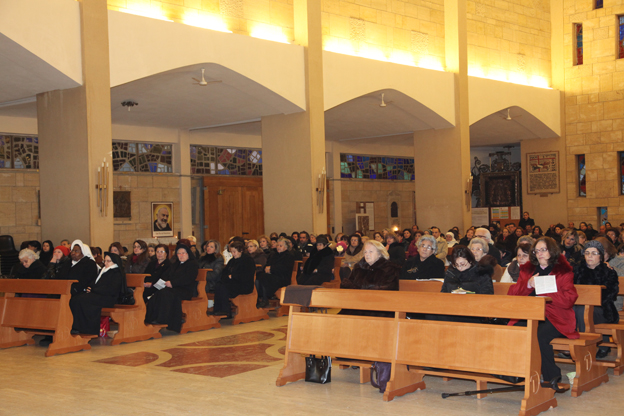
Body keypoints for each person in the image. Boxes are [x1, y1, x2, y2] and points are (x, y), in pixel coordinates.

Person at [507, 237, 579, 389]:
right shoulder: (528, 270)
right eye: (536, 250)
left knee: (539, 335)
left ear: (552, 251)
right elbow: (513, 294)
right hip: (530, 313)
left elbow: (569, 300)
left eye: (543, 250)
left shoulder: (563, 271)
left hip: (556, 317)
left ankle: (551, 377)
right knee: (515, 332)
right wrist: (528, 284)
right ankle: (516, 373)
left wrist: (545, 290)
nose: (539, 253)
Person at [573, 240, 620, 358]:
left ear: (601, 256)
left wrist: (591, 299)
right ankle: (575, 344)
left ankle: (585, 349)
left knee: (582, 310)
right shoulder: (577, 270)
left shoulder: (608, 272)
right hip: (580, 307)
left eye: (594, 253)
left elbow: (611, 293)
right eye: (587, 253)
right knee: (575, 310)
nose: (590, 256)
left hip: (604, 310)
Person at [339, 240, 401, 317]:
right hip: (357, 305)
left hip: (379, 308)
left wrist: (358, 289)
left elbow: (384, 289)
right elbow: (347, 285)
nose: (367, 254)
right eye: (365, 252)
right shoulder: (358, 267)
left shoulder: (389, 268)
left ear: (380, 254)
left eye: (370, 252)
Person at [144, 244, 198, 332]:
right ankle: (151, 318)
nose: (181, 255)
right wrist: (162, 282)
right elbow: (167, 275)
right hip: (173, 289)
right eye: (179, 253)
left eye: (183, 253)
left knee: (165, 293)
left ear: (188, 254)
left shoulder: (192, 264)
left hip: (185, 290)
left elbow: (188, 278)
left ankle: (163, 319)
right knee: (158, 293)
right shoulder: (176, 264)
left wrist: (173, 283)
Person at [69, 252, 123, 335]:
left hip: (108, 298)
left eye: (108, 261)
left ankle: (87, 329)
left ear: (115, 262)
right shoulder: (103, 270)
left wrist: (94, 289)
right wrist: (90, 287)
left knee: (83, 300)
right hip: (98, 295)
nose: (105, 263)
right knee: (75, 299)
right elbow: (95, 283)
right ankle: (76, 326)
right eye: (105, 261)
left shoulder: (116, 273)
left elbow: (111, 289)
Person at [211, 241, 256, 318]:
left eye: (234, 251)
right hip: (232, 283)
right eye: (231, 252)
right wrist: (227, 277)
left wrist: (233, 276)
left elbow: (247, 276)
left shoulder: (248, 260)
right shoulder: (232, 261)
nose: (233, 254)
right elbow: (225, 273)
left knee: (224, 287)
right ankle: (218, 310)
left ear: (241, 250)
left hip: (244, 285)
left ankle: (226, 311)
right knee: (219, 285)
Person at [255, 237, 296, 308]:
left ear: (286, 247)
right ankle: (258, 299)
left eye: (280, 246)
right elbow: (267, 264)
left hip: (282, 277)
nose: (278, 247)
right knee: (258, 275)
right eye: (277, 245)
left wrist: (271, 269)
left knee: (265, 278)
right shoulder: (274, 255)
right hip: (272, 275)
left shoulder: (289, 256)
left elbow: (284, 268)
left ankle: (265, 299)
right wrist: (266, 268)